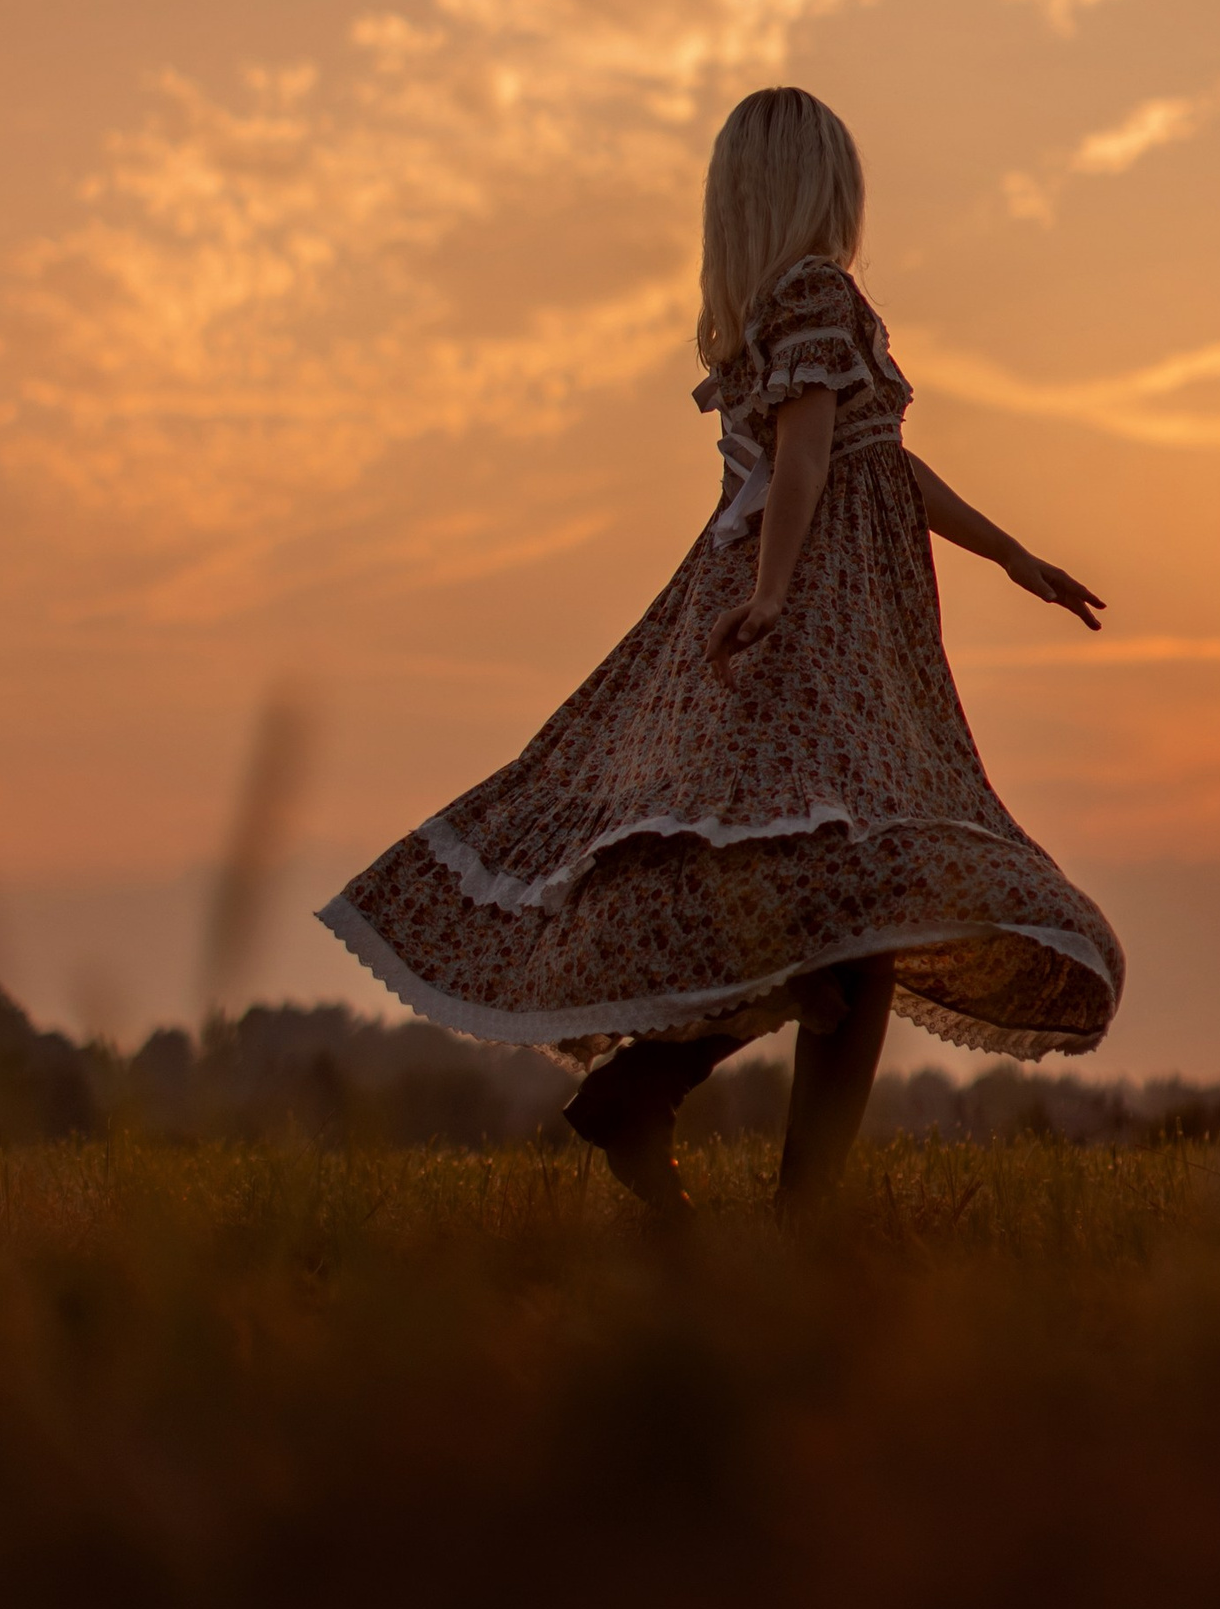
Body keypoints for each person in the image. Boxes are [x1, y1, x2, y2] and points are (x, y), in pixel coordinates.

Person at [322, 86, 1122, 1217]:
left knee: (838, 920)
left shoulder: (780, 314)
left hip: (820, 632)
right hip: (819, 640)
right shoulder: (818, 296)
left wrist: (1010, 554)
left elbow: (875, 460)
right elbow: (802, 466)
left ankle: (645, 1099)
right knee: (856, 911)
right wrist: (775, 594)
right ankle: (784, 1208)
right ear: (818, 190)